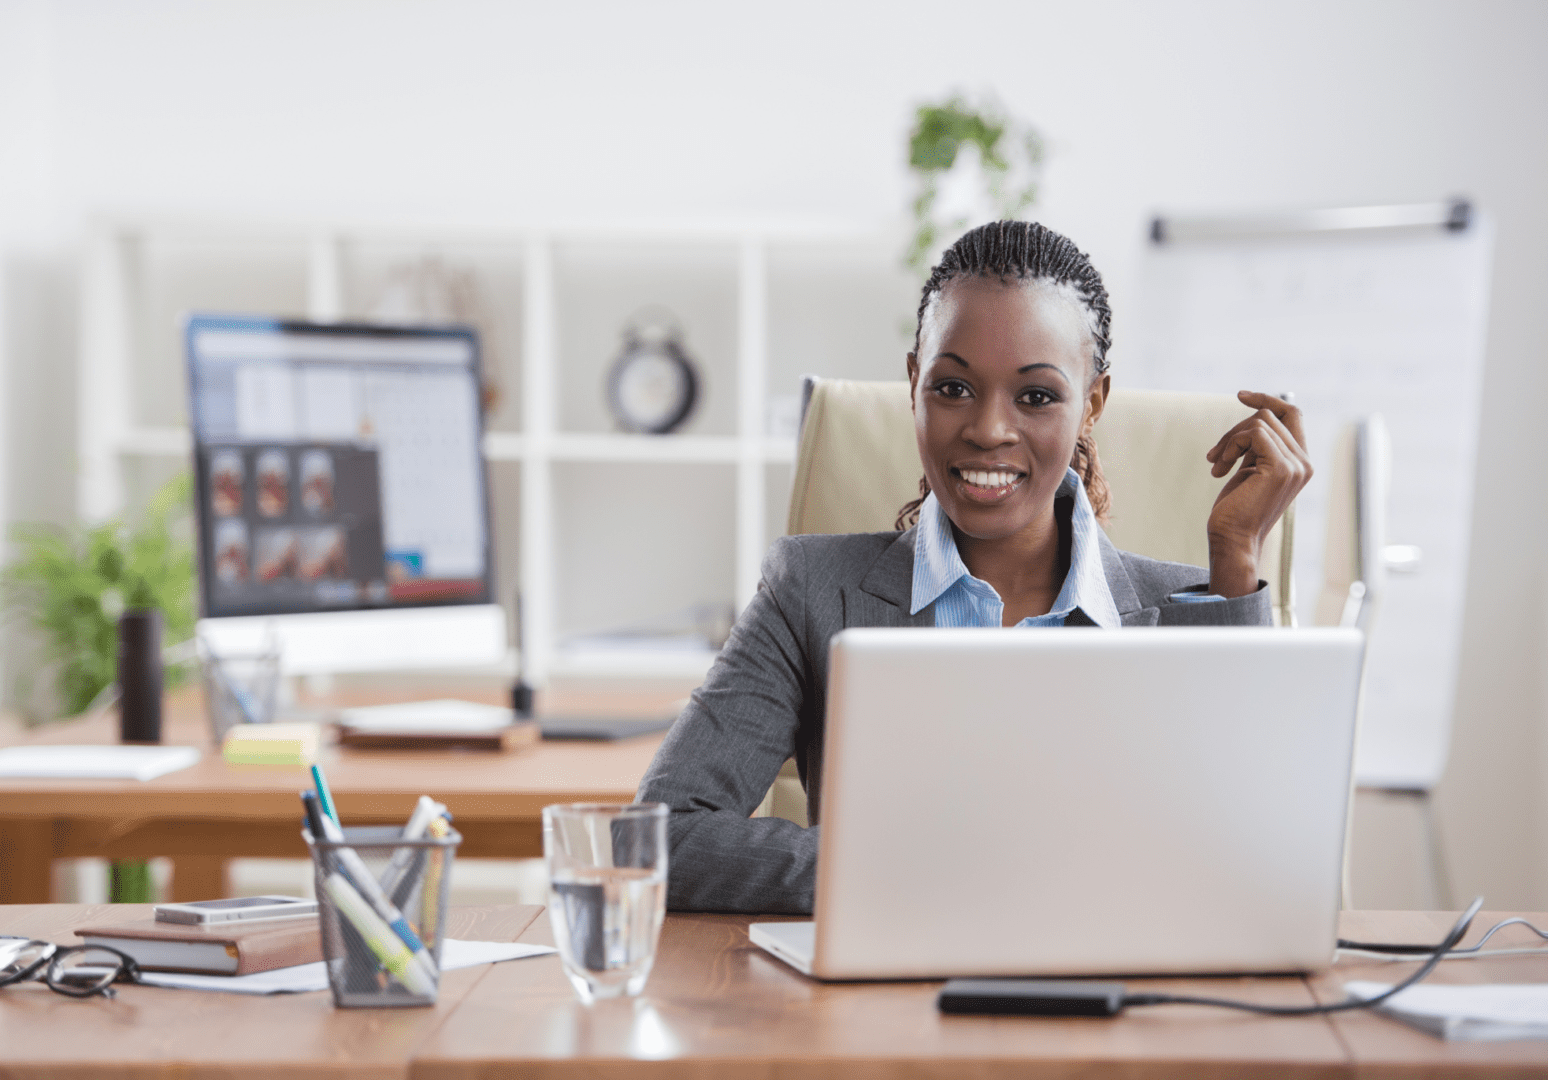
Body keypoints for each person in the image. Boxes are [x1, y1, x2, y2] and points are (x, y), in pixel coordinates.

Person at [637, 220, 1312, 914]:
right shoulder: (811, 590)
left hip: (1115, 1006)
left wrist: (1235, 556)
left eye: (1037, 396)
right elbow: (661, 840)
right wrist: (926, 877)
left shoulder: (1182, 612)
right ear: (913, 384)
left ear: (1093, 404)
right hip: (875, 1007)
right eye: (954, 388)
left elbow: (1248, 870)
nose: (989, 428)